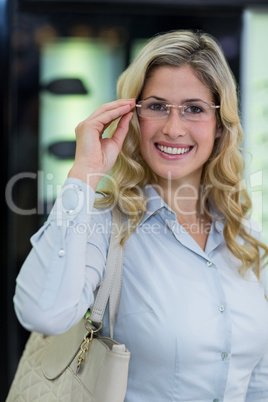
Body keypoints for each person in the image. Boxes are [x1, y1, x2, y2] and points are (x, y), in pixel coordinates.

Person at [14, 30, 268, 401]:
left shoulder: (245, 236)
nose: (173, 128)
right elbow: (42, 313)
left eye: (194, 108)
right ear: (131, 115)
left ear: (220, 125)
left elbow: (258, 380)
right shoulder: (103, 226)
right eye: (157, 106)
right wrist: (85, 173)